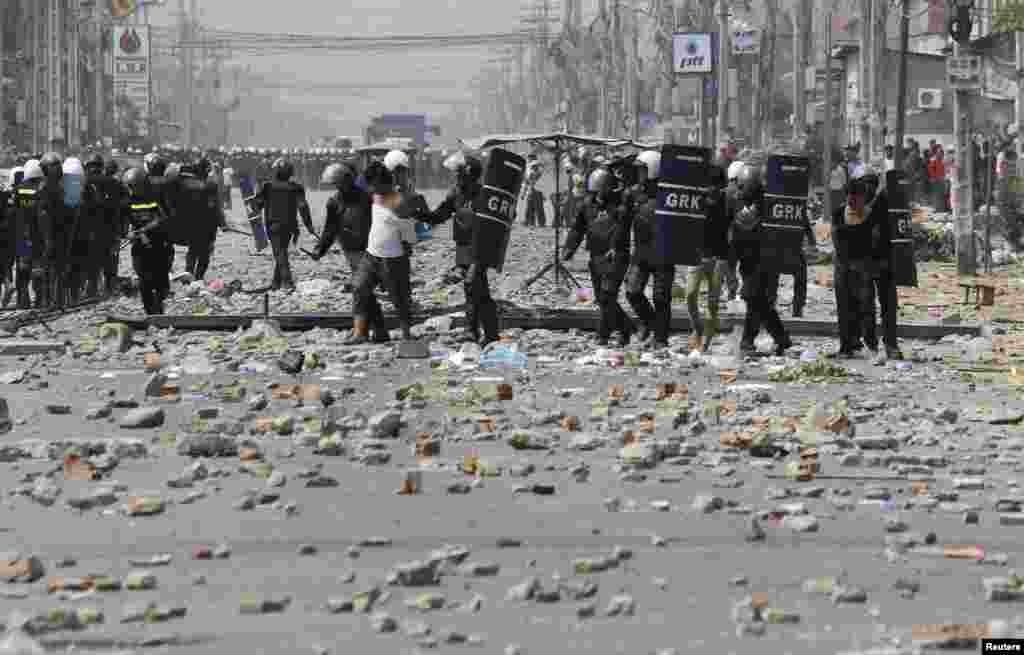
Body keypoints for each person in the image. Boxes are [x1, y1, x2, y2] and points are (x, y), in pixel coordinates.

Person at [346, 161, 417, 345]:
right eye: (370, 184)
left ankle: (407, 334)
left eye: (373, 184)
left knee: (399, 299)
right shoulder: (375, 194)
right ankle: (359, 333)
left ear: (383, 183)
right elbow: (358, 184)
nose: (370, 188)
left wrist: (406, 248)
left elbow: (410, 233)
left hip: (393, 259)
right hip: (371, 255)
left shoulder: (399, 202)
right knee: (359, 287)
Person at [564, 166, 634, 346]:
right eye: (598, 190)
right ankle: (625, 327)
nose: (601, 194)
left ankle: (602, 335)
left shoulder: (621, 205)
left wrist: (615, 247)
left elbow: (624, 226)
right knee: (602, 299)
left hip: (617, 255)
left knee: (608, 294)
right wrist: (569, 248)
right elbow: (577, 229)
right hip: (596, 255)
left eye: (605, 189)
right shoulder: (586, 205)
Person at [731, 163, 792, 356]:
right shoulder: (740, 202)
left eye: (743, 186)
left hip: (763, 259)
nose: (740, 190)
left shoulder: (765, 204)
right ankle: (781, 338)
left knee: (753, 298)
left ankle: (748, 341)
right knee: (759, 302)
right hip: (748, 260)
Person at [625, 150, 672, 347]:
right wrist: (618, 247)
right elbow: (623, 223)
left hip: (664, 252)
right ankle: (651, 323)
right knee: (632, 292)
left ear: (653, 170)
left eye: (642, 170)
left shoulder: (669, 194)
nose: (639, 174)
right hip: (641, 252)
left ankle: (661, 338)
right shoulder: (633, 194)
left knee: (661, 298)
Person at [684, 163, 730, 351]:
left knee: (712, 302)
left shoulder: (727, 202)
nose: (712, 188)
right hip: (697, 255)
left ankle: (706, 341)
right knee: (690, 295)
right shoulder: (698, 202)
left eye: (715, 185)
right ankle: (697, 328)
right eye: (709, 184)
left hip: (719, 257)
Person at [831, 174, 877, 358]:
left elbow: (874, 242)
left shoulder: (870, 216)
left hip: (863, 267)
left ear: (863, 198)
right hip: (843, 266)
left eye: (856, 198)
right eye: (849, 197)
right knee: (844, 307)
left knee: (866, 307)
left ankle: (870, 344)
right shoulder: (838, 213)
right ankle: (846, 346)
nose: (852, 201)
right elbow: (836, 240)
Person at [252, 158, 315, 291]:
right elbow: (303, 206)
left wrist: (253, 202)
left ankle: (287, 282)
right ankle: (276, 282)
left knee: (280, 253)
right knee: (282, 252)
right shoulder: (296, 188)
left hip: (273, 225)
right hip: (290, 226)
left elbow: (256, 205)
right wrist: (309, 225)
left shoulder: (268, 187)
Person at [426, 151, 482, 284]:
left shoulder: (483, 194)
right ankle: (462, 268)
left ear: (468, 173)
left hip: (480, 249)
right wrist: (422, 216)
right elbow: (441, 214)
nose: (454, 175)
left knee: (474, 281)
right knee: (465, 277)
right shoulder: (456, 193)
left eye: (457, 172)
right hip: (462, 247)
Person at [121, 167, 171, 315]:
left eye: (135, 186)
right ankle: (150, 312)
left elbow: (165, 217)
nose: (132, 190)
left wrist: (149, 228)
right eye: (130, 187)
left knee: (161, 279)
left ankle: (160, 305)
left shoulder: (156, 197)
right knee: (144, 279)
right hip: (139, 246)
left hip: (159, 244)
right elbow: (123, 224)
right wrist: (128, 233)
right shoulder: (128, 202)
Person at [312, 163, 371, 281]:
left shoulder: (367, 198)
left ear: (349, 179)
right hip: (350, 246)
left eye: (340, 183)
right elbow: (330, 229)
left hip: (369, 245)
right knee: (360, 277)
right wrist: (320, 249)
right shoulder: (334, 202)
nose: (339, 187)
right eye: (336, 184)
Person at [865, 177, 903, 360]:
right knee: (871, 306)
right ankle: (876, 344)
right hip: (871, 264)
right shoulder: (867, 208)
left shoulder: (885, 208)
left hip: (883, 265)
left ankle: (887, 344)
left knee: (885, 306)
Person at [13, 159, 44, 308]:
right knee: (38, 269)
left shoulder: (19, 190)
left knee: (23, 270)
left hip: (23, 237)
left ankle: (23, 300)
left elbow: (16, 213)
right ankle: (40, 299)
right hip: (38, 236)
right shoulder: (41, 190)